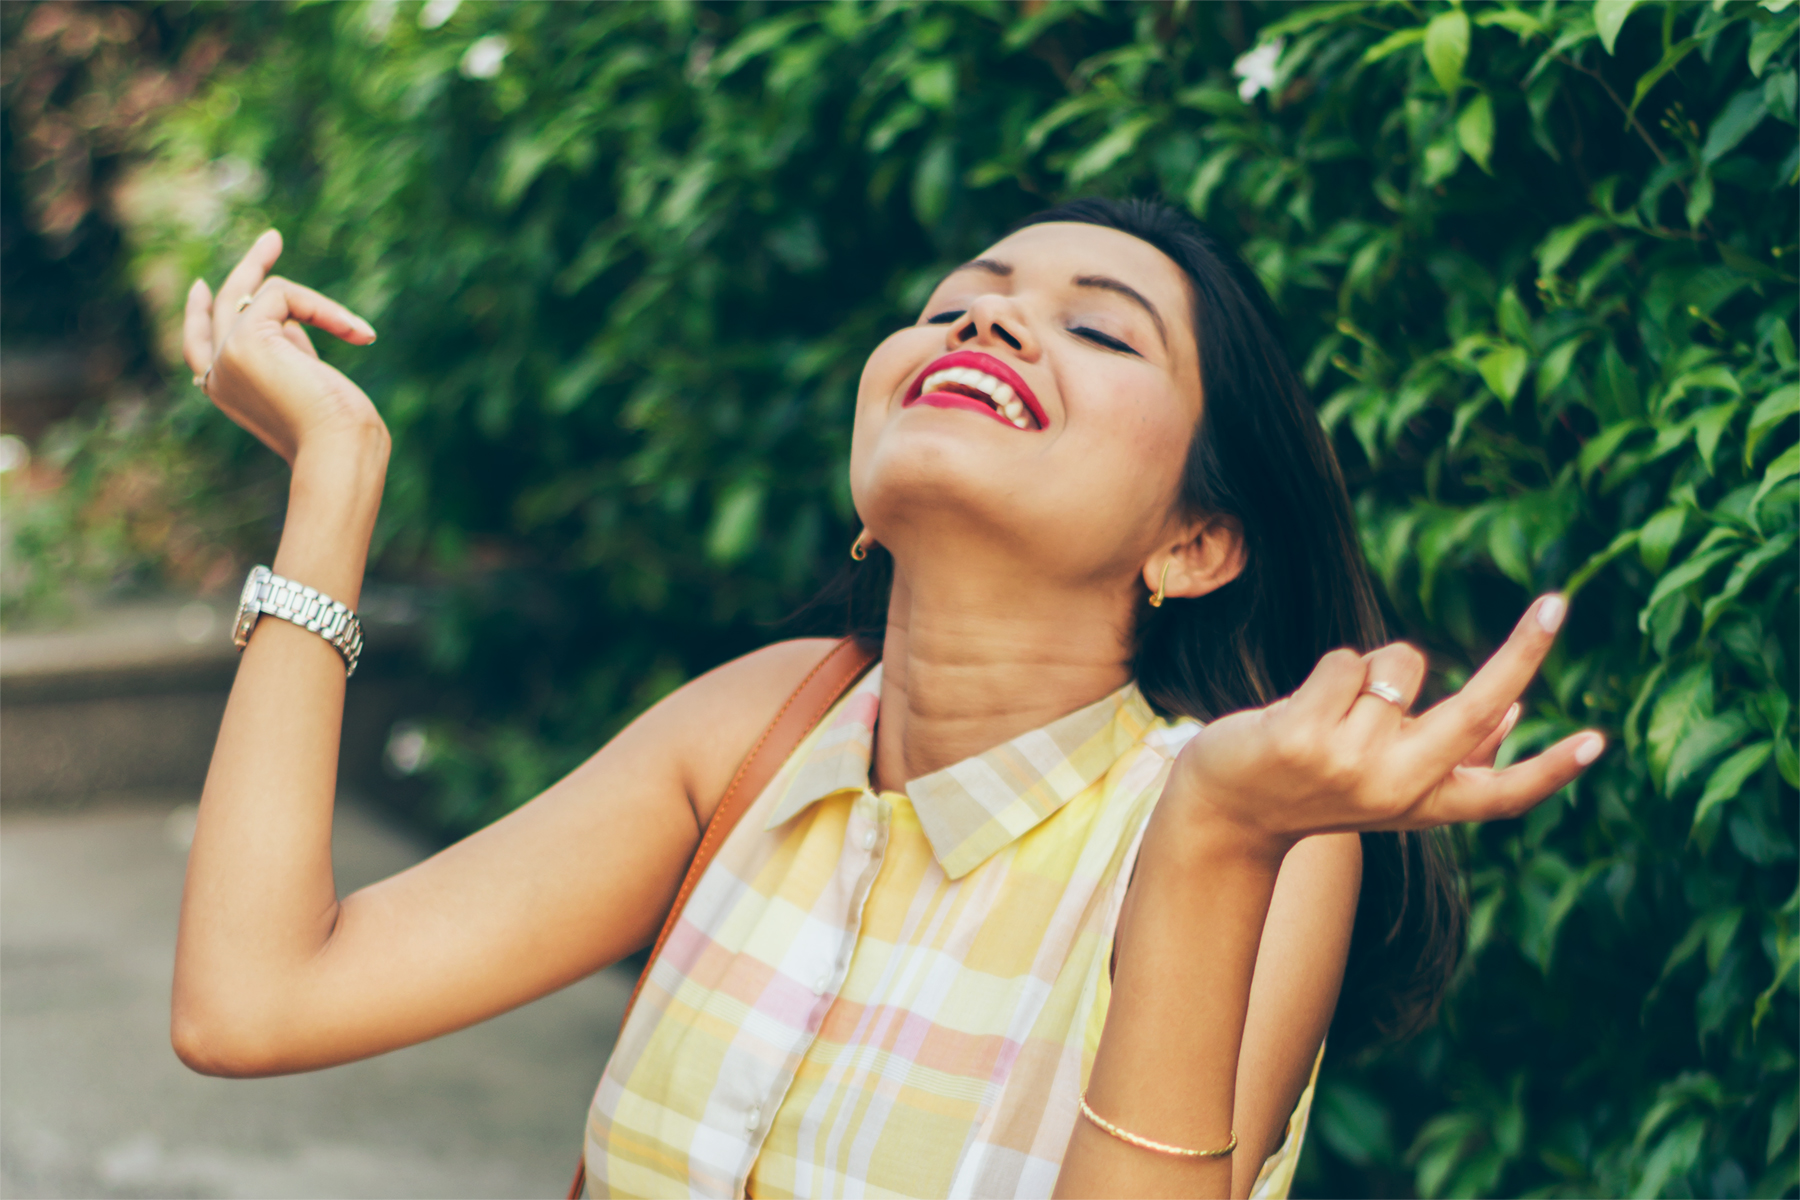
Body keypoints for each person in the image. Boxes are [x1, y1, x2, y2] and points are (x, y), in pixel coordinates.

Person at [173, 197, 1604, 1200]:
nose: (991, 326)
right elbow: (254, 1001)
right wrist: (335, 477)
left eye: (1101, 334)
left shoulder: (1257, 838)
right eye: (957, 306)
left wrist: (1214, 846)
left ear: (1196, 544)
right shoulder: (762, 727)